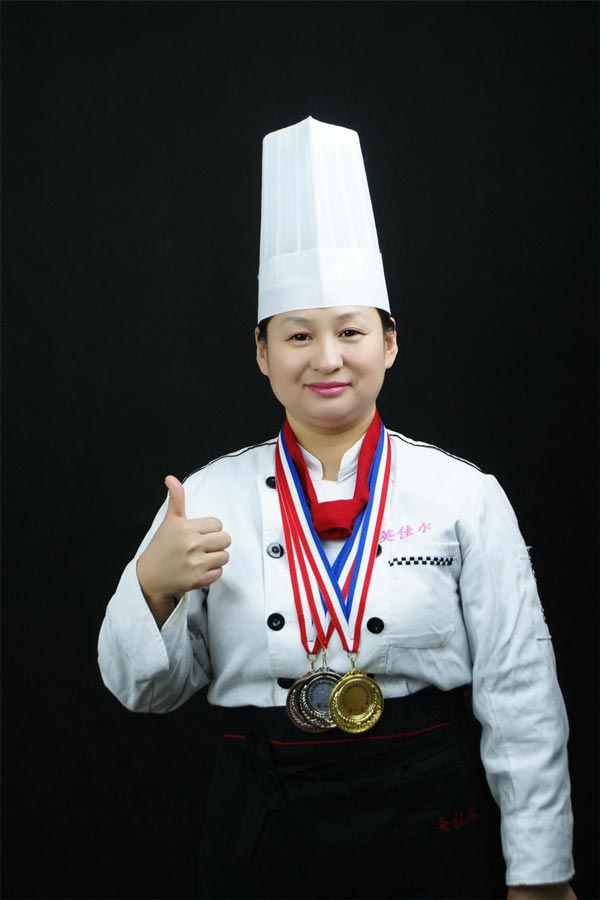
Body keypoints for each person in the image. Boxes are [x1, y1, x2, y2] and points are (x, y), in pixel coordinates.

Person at [98, 117, 575, 900]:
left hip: (430, 803)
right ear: (262, 352)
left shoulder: (464, 494)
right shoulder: (205, 496)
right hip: (265, 812)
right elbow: (142, 691)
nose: (327, 358)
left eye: (351, 330)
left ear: (389, 342)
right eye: (297, 336)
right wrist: (151, 586)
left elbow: (520, 691)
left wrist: (540, 871)